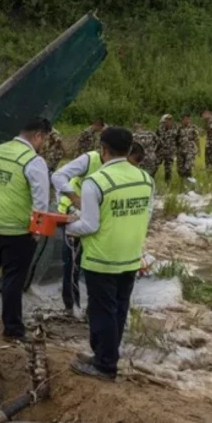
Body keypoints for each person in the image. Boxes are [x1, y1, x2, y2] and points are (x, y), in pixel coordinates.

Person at [66, 127, 154, 381]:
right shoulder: (145, 179)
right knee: (118, 309)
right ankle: (105, 354)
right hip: (130, 256)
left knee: (101, 310)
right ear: (129, 150)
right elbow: (145, 214)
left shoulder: (96, 182)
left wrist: (68, 226)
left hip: (101, 258)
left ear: (103, 150)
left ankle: (105, 365)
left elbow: (90, 225)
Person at [0, 117, 52, 340]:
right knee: (13, 280)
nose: (43, 145)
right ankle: (12, 329)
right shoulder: (33, 160)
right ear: (38, 136)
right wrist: (37, 231)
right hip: (16, 232)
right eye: (44, 140)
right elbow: (41, 201)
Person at [52, 145, 103, 320]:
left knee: (91, 263)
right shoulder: (90, 160)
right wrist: (76, 199)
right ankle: (72, 306)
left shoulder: (121, 167)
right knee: (72, 265)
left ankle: (91, 308)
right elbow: (58, 176)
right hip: (75, 215)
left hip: (96, 218)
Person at [176, 113, 200, 182]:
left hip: (190, 150)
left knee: (187, 167)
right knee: (180, 169)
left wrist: (199, 150)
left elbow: (197, 139)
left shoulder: (193, 127)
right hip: (180, 151)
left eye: (188, 119)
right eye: (186, 119)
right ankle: (183, 182)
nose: (187, 120)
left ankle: (190, 182)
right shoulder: (178, 128)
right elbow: (176, 139)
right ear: (182, 120)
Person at [155, 114, 177, 183]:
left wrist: (177, 151)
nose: (167, 123)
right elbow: (156, 139)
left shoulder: (176, 129)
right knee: (154, 166)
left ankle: (167, 184)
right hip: (160, 151)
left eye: (169, 120)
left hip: (170, 152)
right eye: (165, 121)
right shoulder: (160, 129)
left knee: (168, 169)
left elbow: (179, 140)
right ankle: (151, 180)